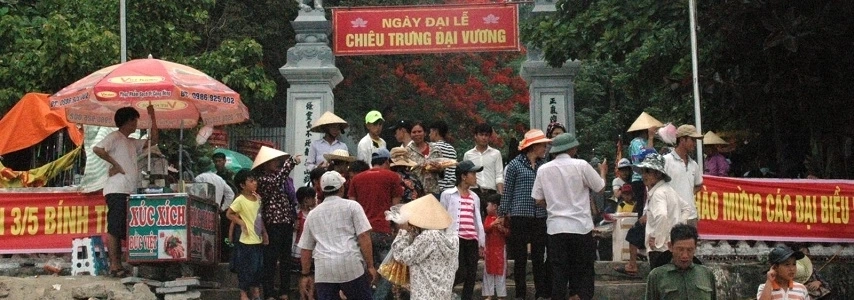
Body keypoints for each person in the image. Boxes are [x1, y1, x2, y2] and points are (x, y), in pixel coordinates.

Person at [532, 133, 607, 300]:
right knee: (583, 270)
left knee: (559, 271)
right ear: (572, 148)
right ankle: (579, 296)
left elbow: (538, 199)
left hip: (556, 228)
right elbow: (600, 188)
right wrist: (602, 172)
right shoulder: (581, 165)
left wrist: (552, 206)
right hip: (580, 227)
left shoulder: (543, 169)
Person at [92, 105, 158, 277]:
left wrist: (153, 117)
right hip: (117, 189)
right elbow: (97, 149)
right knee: (114, 227)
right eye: (135, 121)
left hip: (128, 190)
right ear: (128, 121)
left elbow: (154, 141)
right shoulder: (114, 136)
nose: (136, 124)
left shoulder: (130, 142)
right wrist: (115, 164)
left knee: (123, 228)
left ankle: (121, 264)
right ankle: (115, 266)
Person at [298, 171, 376, 300]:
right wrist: (370, 266)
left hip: (324, 269)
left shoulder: (313, 214)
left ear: (322, 190)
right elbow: (363, 236)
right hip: (350, 264)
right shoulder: (353, 207)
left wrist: (305, 274)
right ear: (341, 188)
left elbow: (306, 248)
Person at [498, 129, 552, 300]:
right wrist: (502, 213)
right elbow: (508, 192)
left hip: (540, 215)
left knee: (538, 256)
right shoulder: (514, 165)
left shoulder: (545, 165)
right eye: (542, 145)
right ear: (533, 146)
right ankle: (520, 294)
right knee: (520, 258)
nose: (545, 148)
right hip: (520, 215)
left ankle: (540, 293)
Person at [348, 148, 403, 300]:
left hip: (362, 233)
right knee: (389, 270)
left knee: (364, 270)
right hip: (383, 231)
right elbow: (395, 209)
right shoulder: (393, 177)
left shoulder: (357, 179)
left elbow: (352, 207)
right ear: (386, 161)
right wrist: (398, 232)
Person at [252, 146, 300, 300]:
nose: (277, 163)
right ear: (265, 164)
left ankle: (284, 291)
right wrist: (291, 162)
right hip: (273, 223)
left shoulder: (281, 180)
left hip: (285, 221)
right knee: (271, 259)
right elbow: (277, 181)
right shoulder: (264, 180)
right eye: (273, 161)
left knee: (286, 258)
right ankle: (270, 292)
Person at [390, 195, 459, 300]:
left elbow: (403, 257)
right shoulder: (454, 240)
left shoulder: (427, 237)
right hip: (444, 294)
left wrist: (403, 232)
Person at [440, 160, 486, 300]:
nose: (475, 176)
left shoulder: (475, 197)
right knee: (460, 271)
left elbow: (476, 219)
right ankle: (443, 292)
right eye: (472, 173)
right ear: (463, 176)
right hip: (455, 238)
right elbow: (443, 218)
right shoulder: (448, 194)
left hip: (471, 239)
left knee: (472, 273)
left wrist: (481, 242)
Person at [636, 153, 684, 269]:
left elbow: (662, 216)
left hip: (659, 250)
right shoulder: (669, 190)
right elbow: (686, 209)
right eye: (642, 171)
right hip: (670, 246)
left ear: (658, 173)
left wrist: (658, 241)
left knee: (658, 284)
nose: (643, 175)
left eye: (647, 171)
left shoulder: (658, 194)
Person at [227, 170, 269, 300]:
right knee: (246, 268)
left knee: (258, 267)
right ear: (242, 185)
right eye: (251, 181)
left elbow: (259, 217)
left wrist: (264, 233)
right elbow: (229, 214)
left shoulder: (258, 198)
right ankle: (243, 292)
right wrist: (240, 222)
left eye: (255, 180)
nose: (255, 183)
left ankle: (255, 292)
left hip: (257, 238)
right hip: (245, 240)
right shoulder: (239, 200)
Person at [645, 224, 716, 300]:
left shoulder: (706, 274)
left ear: (695, 248)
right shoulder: (656, 276)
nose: (685, 255)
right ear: (670, 246)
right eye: (680, 249)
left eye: (689, 250)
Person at [194, 157, 237, 263]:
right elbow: (230, 194)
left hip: (202, 213)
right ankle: (215, 259)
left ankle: (204, 260)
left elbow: (196, 195)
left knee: (203, 238)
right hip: (216, 213)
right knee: (215, 238)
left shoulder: (199, 178)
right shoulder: (219, 179)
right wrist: (222, 208)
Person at [663, 125, 704, 227]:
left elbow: (699, 185)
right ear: (682, 140)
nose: (694, 143)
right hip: (670, 215)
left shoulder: (694, 164)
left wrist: (687, 194)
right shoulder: (665, 161)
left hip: (691, 215)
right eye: (692, 140)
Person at [463, 123, 504, 219]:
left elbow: (499, 175)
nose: (484, 138)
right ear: (475, 136)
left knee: (491, 222)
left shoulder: (496, 154)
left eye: (486, 135)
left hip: (491, 193)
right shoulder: (468, 155)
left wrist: (501, 195)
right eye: (481, 135)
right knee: (474, 220)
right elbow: (464, 176)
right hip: (473, 192)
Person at [482, 194, 509, 300]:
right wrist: (493, 224)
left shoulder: (503, 219)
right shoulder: (488, 218)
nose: (486, 207)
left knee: (500, 272)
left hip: (500, 248)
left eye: (488, 205)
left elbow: (508, 232)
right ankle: (489, 294)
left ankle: (501, 295)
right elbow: (485, 228)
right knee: (488, 271)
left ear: (494, 206)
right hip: (489, 249)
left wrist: (501, 228)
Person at [294, 186, 317, 300]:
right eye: (312, 198)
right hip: (300, 247)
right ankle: (303, 296)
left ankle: (311, 295)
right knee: (302, 273)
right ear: (305, 199)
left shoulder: (315, 212)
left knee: (312, 272)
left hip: (313, 247)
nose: (314, 200)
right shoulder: (297, 214)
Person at [406, 122, 441, 195]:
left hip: (433, 191)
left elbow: (442, 173)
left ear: (425, 133)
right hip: (416, 193)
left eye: (419, 131)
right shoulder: (407, 151)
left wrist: (439, 168)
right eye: (414, 132)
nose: (417, 134)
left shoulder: (435, 149)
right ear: (410, 134)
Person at [428, 121, 457, 193]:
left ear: (436, 132)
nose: (429, 135)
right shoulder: (452, 149)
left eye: (430, 132)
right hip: (450, 189)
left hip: (436, 189)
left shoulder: (432, 147)